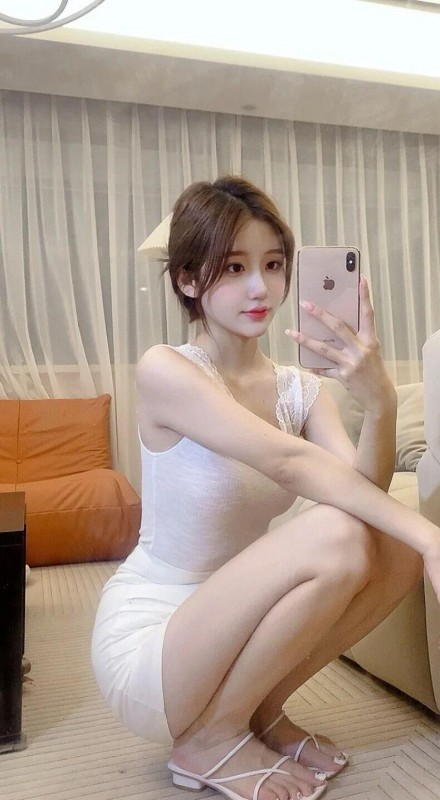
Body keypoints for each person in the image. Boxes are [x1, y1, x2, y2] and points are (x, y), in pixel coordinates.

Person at [91, 175, 440, 800]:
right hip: (156, 643)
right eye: (234, 267)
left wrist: (380, 401)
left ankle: (259, 711)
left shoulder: (298, 388)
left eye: (273, 265)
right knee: (349, 533)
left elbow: (362, 492)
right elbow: (287, 462)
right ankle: (209, 737)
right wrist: (433, 535)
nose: (261, 288)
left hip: (237, 620)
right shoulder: (165, 369)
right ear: (187, 280)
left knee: (389, 546)